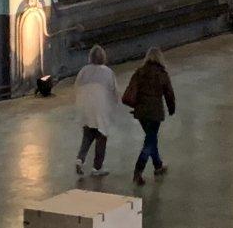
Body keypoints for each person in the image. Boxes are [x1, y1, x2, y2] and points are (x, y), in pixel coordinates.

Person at [124, 48, 178, 185]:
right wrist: (171, 108)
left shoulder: (139, 72)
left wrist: (136, 106)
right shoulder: (162, 73)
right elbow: (169, 93)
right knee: (149, 142)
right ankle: (138, 170)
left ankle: (158, 165)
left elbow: (130, 91)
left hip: (141, 113)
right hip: (155, 113)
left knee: (151, 138)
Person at [75, 44, 118, 176]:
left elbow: (77, 86)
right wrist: (114, 106)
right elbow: (114, 91)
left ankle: (80, 159)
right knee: (101, 136)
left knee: (88, 134)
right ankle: (97, 167)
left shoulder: (83, 70)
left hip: (85, 106)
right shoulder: (108, 72)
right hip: (101, 107)